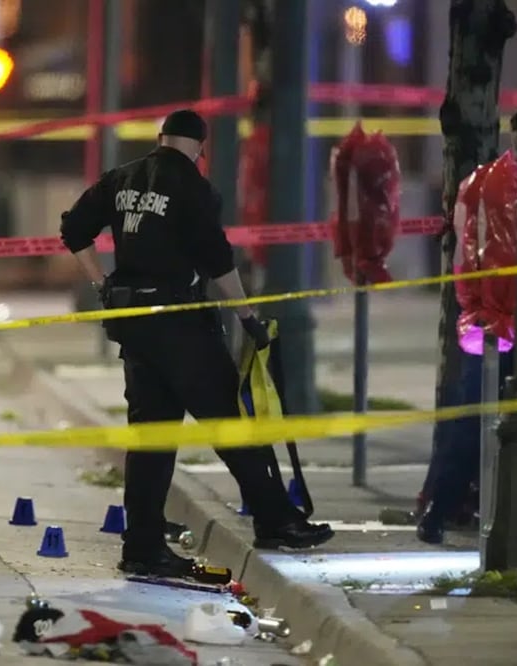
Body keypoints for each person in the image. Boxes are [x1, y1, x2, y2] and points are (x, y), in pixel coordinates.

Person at [59, 109, 335, 577]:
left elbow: (73, 228)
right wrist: (247, 316)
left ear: (161, 137)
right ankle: (275, 520)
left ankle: (143, 547)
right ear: (200, 148)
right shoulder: (194, 187)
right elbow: (217, 259)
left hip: (134, 324)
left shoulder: (122, 178)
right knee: (230, 421)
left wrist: (102, 283)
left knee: (150, 439)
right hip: (181, 325)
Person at [416, 109, 517, 544]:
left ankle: (449, 509)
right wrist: (481, 311)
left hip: (501, 320)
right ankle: (441, 509)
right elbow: (472, 255)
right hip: (497, 323)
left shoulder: (491, 183)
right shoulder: (493, 184)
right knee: (472, 422)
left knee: (475, 420)